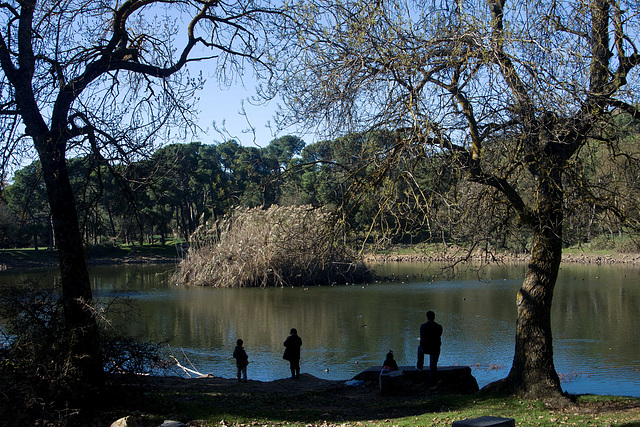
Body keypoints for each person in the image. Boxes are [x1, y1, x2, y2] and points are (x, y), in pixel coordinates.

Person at [417, 310, 443, 386]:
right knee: (433, 366)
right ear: (434, 317)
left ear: (427, 317)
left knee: (419, 348)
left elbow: (422, 337)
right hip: (435, 349)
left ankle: (419, 367)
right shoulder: (438, 327)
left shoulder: (423, 326)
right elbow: (439, 334)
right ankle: (432, 385)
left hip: (425, 348)